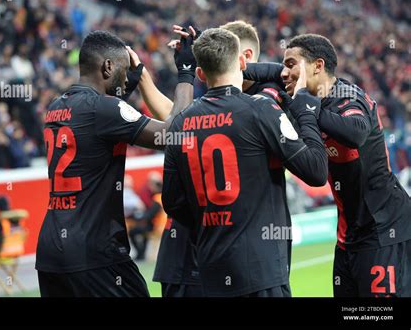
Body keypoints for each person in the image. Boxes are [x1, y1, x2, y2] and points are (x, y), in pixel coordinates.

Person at [161, 28, 327, 297]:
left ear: (200, 74)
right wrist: (306, 110)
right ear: (242, 62)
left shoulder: (181, 123)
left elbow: (173, 203)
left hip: (209, 272)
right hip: (261, 270)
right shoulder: (261, 109)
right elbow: (317, 172)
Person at [133, 21, 295, 297]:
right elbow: (173, 124)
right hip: (208, 262)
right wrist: (151, 76)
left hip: (204, 256)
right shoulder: (252, 108)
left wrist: (185, 72)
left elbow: (173, 126)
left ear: (243, 59)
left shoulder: (261, 102)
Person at [243, 33, 411, 297]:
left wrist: (312, 110)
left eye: (291, 65)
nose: (284, 74)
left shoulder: (348, 96)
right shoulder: (301, 85)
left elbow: (356, 133)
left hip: (385, 229)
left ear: (318, 66)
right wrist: (210, 55)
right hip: (348, 237)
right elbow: (265, 71)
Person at [35, 28, 196, 297]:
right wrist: (186, 73)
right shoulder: (104, 109)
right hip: (95, 252)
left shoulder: (55, 107)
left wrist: (121, 93)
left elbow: (94, 132)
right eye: (122, 70)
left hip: (51, 253)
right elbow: (175, 134)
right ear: (107, 66)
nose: (125, 76)